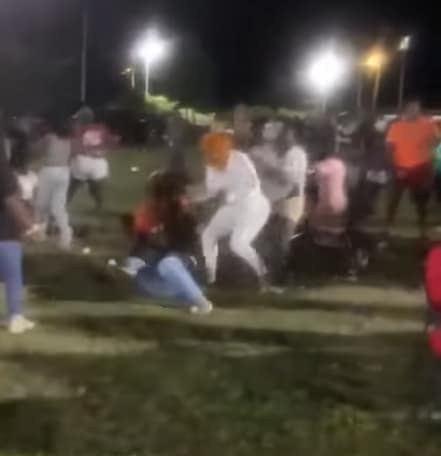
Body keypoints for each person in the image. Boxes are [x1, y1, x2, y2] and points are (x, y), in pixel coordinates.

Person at [122, 171, 213, 314]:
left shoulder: (185, 214)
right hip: (161, 284)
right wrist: (134, 263)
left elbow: (189, 247)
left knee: (169, 264)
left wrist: (161, 242)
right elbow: (140, 247)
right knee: (134, 264)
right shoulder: (147, 214)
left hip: (187, 269)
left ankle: (202, 303)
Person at [199, 132, 271, 290]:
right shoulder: (211, 165)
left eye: (213, 150)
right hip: (232, 208)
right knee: (208, 235)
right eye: (208, 151)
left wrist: (231, 196)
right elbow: (211, 193)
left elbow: (253, 184)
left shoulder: (239, 159)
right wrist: (194, 198)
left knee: (238, 244)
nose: (210, 154)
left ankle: (263, 276)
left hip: (253, 207)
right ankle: (210, 277)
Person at [250, 120, 308, 285]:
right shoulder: (266, 152)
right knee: (267, 241)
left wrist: (267, 166)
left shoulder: (297, 154)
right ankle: (268, 275)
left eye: (286, 134)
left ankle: (283, 276)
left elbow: (289, 178)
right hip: (270, 202)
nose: (283, 138)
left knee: (282, 241)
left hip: (290, 202)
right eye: (281, 134)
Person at [0, 128, 42, 334]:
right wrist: (31, 228)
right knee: (13, 276)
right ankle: (15, 316)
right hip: (4, 233)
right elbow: (11, 200)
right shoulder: (4, 172)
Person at [385, 100, 438, 241]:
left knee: (421, 201)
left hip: (420, 168)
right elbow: (389, 149)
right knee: (394, 199)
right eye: (410, 109)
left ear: (419, 111)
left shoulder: (428, 125)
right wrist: (396, 168)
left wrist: (428, 151)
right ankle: (387, 227)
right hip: (401, 169)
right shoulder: (396, 126)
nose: (413, 112)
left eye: (416, 109)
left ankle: (422, 229)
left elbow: (435, 142)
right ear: (405, 110)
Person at [35, 119, 73, 249]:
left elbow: (36, 149)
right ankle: (66, 236)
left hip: (49, 171)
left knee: (41, 205)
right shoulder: (68, 140)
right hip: (64, 171)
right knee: (58, 207)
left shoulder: (50, 138)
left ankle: (40, 233)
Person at [68, 107, 114, 210]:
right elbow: (109, 144)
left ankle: (62, 204)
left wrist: (70, 158)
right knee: (95, 187)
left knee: (72, 186)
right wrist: (100, 151)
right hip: (99, 164)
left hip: (82, 161)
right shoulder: (102, 128)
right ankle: (100, 205)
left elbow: (74, 146)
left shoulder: (78, 128)